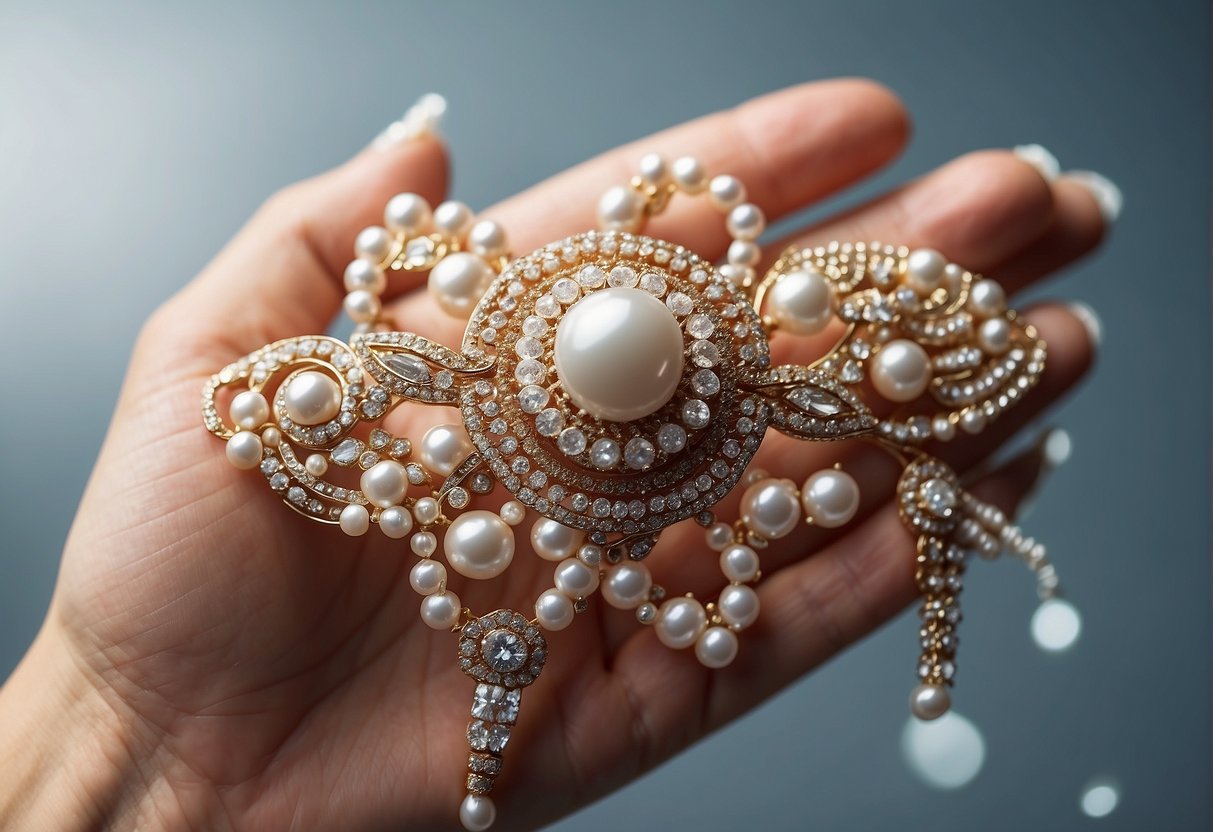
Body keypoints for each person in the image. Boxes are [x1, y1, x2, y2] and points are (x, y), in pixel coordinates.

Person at [0, 79, 1104, 830]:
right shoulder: (442, 394)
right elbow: (262, 413)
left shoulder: (704, 374)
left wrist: (123, 748)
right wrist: (130, 718)